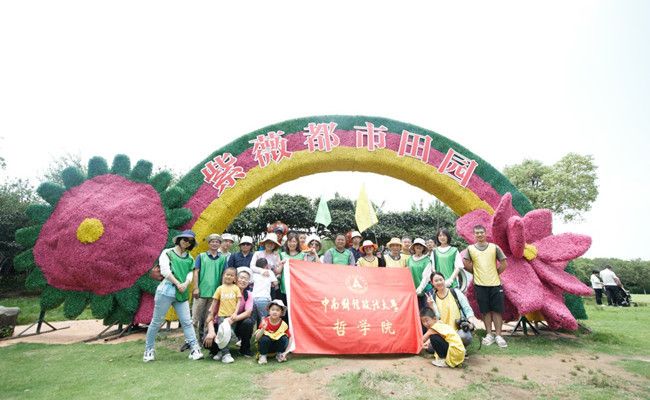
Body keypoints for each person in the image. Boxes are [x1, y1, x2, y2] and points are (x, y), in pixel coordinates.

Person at [143, 230, 203, 362]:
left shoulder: (190, 258)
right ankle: (148, 350)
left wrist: (185, 284)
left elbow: (190, 273)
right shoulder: (167, 253)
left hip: (181, 293)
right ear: (179, 239)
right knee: (156, 322)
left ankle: (195, 349)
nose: (187, 242)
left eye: (190, 241)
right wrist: (178, 284)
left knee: (187, 322)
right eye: (185, 239)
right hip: (166, 291)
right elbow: (165, 271)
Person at [463, 225, 508, 348]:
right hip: (480, 285)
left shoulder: (494, 247)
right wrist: (475, 272)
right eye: (477, 233)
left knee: (497, 311)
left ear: (485, 233)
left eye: (481, 232)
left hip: (495, 284)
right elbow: (466, 263)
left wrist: (496, 273)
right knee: (485, 311)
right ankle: (489, 334)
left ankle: (498, 335)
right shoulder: (470, 249)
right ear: (474, 235)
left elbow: (504, 263)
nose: (479, 235)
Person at [203, 267, 242, 363]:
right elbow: (214, 302)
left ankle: (222, 351)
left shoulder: (236, 288)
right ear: (223, 276)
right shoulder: (220, 288)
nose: (229, 276)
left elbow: (238, 302)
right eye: (227, 274)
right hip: (221, 316)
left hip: (231, 317)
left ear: (235, 278)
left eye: (232, 275)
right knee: (223, 335)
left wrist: (235, 313)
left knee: (228, 334)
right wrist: (211, 314)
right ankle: (226, 354)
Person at [192, 233, 222, 342]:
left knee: (208, 319)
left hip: (214, 294)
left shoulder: (223, 258)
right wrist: (195, 288)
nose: (214, 243)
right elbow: (196, 272)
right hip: (201, 292)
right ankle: (191, 340)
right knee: (195, 318)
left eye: (217, 242)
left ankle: (204, 340)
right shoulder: (201, 256)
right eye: (212, 241)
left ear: (219, 244)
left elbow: (224, 274)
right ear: (208, 243)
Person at [254, 299, 293, 365]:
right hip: (266, 348)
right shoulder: (264, 322)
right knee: (265, 338)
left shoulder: (283, 324)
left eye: (277, 310)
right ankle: (263, 356)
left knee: (284, 337)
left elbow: (290, 338)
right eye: (273, 309)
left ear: (281, 312)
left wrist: (285, 352)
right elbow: (257, 338)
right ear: (269, 311)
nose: (275, 312)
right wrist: (263, 329)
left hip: (277, 348)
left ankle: (279, 354)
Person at [230, 267, 256, 357]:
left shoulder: (248, 294)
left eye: (246, 279)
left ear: (249, 282)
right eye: (241, 277)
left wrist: (233, 319)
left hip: (237, 322)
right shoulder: (227, 290)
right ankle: (220, 350)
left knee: (248, 322)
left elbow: (248, 312)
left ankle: (245, 349)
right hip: (224, 319)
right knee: (211, 346)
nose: (243, 280)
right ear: (236, 279)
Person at [409, 238, 433, 309]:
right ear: (413, 247)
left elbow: (426, 277)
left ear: (423, 248)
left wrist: (420, 288)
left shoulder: (427, 260)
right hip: (413, 290)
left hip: (425, 290)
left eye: (421, 245)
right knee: (416, 310)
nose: (418, 246)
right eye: (417, 245)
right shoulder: (410, 259)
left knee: (426, 311)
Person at [251, 258, 278, 323]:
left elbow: (250, 282)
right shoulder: (270, 272)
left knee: (253, 320)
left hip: (253, 298)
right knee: (263, 320)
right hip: (264, 299)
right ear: (266, 265)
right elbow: (275, 283)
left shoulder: (254, 274)